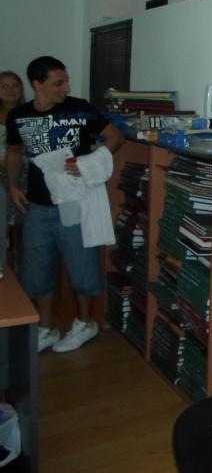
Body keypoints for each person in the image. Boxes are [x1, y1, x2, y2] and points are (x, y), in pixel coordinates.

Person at [7, 56, 125, 353]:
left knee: (82, 266)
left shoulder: (79, 108)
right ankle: (46, 328)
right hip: (38, 205)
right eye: (58, 83)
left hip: (75, 202)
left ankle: (85, 323)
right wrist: (12, 186)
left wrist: (89, 162)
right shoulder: (19, 115)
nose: (66, 87)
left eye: (66, 81)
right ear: (38, 84)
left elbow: (115, 137)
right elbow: (14, 151)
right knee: (37, 269)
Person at [0, 71, 26, 274]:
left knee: (22, 232)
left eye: (15, 85)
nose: (10, 90)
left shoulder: (29, 114)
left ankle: (20, 277)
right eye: (4, 86)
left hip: (25, 177)